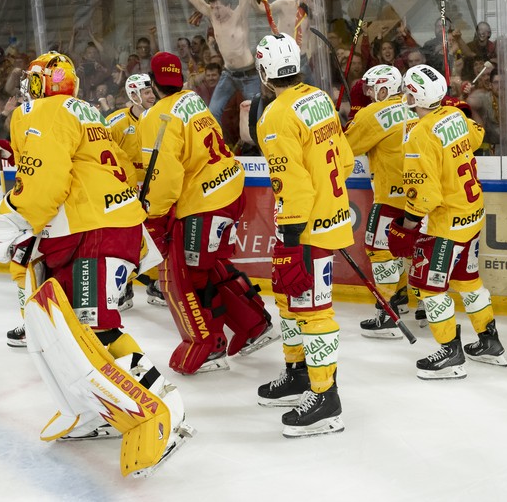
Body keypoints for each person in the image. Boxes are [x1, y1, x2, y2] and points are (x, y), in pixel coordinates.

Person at [0, 51, 193, 476]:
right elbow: (104, 168)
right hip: (111, 227)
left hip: (93, 233)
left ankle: (163, 409)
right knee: (77, 330)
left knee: (92, 331)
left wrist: (9, 211)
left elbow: (44, 186)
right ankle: (98, 409)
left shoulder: (42, 111)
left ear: (42, 84)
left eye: (33, 80)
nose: (27, 89)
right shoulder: (85, 110)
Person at [139, 52, 276, 375]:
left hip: (205, 203)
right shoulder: (193, 101)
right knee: (210, 264)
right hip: (229, 187)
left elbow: (165, 178)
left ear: (153, 82)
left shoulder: (157, 117)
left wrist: (153, 215)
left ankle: (210, 344)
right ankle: (255, 323)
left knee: (190, 275)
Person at [254, 33, 354, 437]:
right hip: (324, 217)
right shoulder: (318, 98)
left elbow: (293, 185)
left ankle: (326, 397)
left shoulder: (275, 117)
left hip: (305, 227)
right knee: (290, 302)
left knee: (313, 311)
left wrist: (292, 240)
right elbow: (344, 160)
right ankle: (298, 374)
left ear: (264, 73)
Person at [387, 64, 507, 380]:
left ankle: (450, 352)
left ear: (415, 95)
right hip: (472, 214)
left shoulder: (419, 134)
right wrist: (460, 111)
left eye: (407, 92)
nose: (404, 96)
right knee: (468, 280)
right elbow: (478, 137)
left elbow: (424, 197)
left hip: (444, 225)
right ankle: (489, 341)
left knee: (430, 286)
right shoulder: (455, 116)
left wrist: (407, 225)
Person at [344, 65, 418, 338]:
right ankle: (400, 298)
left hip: (392, 195)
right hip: (420, 193)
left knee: (379, 249)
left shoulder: (373, 113)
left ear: (384, 87)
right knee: (403, 249)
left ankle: (388, 314)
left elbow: (346, 146)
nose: (370, 93)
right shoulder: (412, 104)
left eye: (373, 88)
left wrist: (354, 116)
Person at [178, 0, 260, 124]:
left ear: (228, 5)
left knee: (257, 116)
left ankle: (261, 149)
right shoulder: (213, 16)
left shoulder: (239, 15)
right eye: (212, 7)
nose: (214, 11)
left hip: (249, 74)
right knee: (213, 112)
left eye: (218, 7)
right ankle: (215, 147)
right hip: (228, 73)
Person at [106, 73, 166, 308]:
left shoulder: (159, 118)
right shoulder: (116, 122)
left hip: (153, 191)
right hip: (125, 194)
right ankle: (124, 288)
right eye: (147, 92)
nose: (152, 95)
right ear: (133, 95)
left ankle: (154, 285)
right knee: (125, 241)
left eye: (152, 91)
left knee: (154, 237)